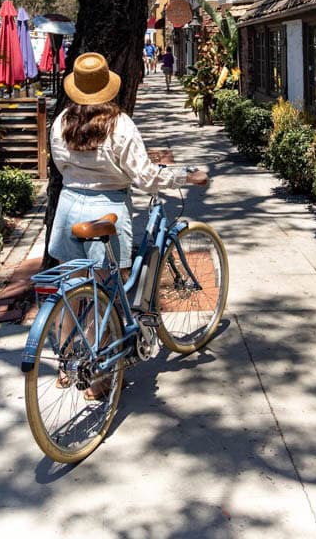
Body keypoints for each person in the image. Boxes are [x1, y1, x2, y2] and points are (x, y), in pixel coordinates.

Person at [49, 52, 208, 395]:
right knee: (107, 292)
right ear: (108, 87)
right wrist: (184, 176)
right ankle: (97, 377)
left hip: (68, 208)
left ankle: (65, 363)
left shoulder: (62, 121)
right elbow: (146, 177)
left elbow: (61, 166)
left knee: (73, 290)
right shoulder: (119, 125)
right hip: (107, 211)